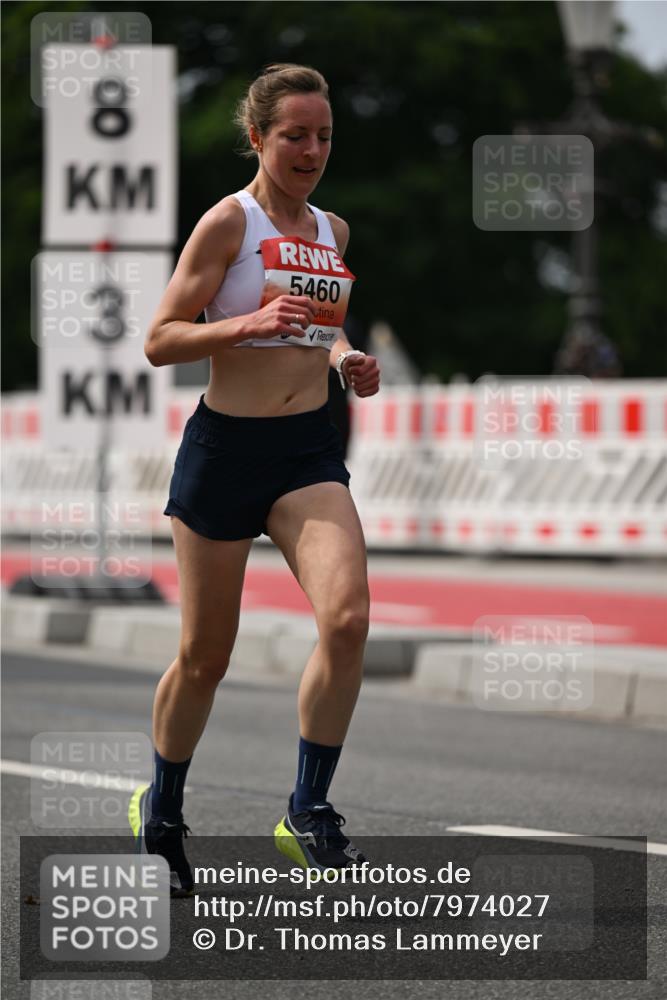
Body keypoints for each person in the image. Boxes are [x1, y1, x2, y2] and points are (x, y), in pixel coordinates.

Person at [128, 63, 381, 896]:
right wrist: (244, 323)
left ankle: (307, 811)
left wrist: (346, 359)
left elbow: (323, 329)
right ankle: (161, 813)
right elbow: (160, 339)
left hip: (306, 453)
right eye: (294, 136)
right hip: (223, 453)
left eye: (325, 135)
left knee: (346, 621)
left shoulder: (332, 232)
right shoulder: (225, 226)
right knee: (205, 656)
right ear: (258, 138)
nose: (312, 150)